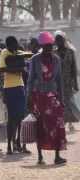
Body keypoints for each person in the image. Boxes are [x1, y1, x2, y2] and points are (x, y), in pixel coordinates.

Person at [27, 31, 67, 165]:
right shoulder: (34, 59)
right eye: (46, 46)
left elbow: (60, 79)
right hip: (39, 96)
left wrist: (62, 98)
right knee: (40, 125)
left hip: (53, 97)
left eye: (50, 45)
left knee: (57, 125)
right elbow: (31, 79)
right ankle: (40, 157)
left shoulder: (56, 59)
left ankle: (57, 156)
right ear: (41, 45)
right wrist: (29, 97)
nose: (48, 48)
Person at [0, 36, 29, 154]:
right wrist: (17, 68)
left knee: (21, 117)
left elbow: (23, 67)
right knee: (11, 118)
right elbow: (2, 69)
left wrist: (11, 67)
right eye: (13, 45)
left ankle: (18, 142)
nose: (15, 47)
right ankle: (9, 146)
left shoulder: (19, 52)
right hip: (9, 88)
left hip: (20, 87)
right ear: (8, 45)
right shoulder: (4, 53)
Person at [54, 30, 79, 131]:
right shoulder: (53, 53)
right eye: (57, 40)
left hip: (68, 82)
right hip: (56, 84)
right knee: (59, 103)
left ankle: (69, 122)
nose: (58, 41)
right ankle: (62, 123)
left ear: (64, 40)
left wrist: (76, 84)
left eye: (60, 39)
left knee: (68, 103)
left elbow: (74, 68)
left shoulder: (70, 52)